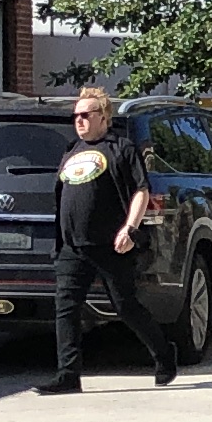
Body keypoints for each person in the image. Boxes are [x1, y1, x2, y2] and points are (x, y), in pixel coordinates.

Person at [39, 86, 177, 393]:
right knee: (66, 308)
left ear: (103, 116)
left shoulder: (122, 148)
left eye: (86, 115)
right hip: (72, 246)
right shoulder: (72, 151)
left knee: (125, 306)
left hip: (111, 245)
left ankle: (164, 354)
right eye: (76, 116)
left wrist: (130, 228)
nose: (79, 120)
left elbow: (141, 190)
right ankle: (68, 375)